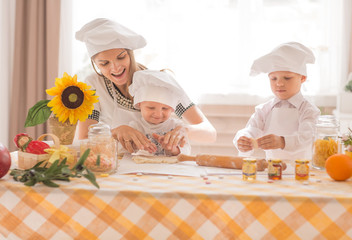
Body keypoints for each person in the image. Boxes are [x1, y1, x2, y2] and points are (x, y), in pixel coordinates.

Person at [75, 18, 216, 153]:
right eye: (104, 63)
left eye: (121, 57)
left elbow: (210, 133)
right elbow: (83, 141)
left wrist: (185, 130)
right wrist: (115, 133)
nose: (115, 68)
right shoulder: (92, 86)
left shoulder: (159, 84)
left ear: (130, 54)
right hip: (116, 166)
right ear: (95, 64)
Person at [233, 42, 320, 160]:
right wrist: (243, 139)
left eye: (287, 78)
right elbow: (251, 129)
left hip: (301, 171)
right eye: (273, 78)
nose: (279, 83)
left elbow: (307, 137)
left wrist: (282, 141)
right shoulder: (264, 109)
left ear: (302, 78)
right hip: (272, 170)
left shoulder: (308, 110)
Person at [127, 69, 191, 156]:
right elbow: (127, 151)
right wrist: (137, 147)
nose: (158, 114)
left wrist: (174, 149)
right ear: (139, 105)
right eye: (151, 108)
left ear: (172, 109)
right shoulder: (135, 127)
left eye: (165, 108)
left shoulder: (176, 127)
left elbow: (186, 150)